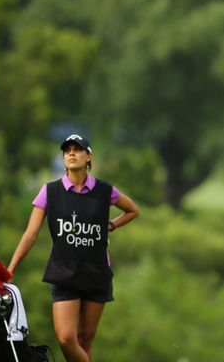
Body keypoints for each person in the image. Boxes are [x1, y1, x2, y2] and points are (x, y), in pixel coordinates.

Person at [8, 134, 140, 362]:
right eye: (67, 150)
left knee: (85, 339)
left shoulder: (104, 190)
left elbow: (133, 210)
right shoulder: (49, 191)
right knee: (66, 338)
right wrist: (10, 269)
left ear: (88, 156)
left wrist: (112, 225)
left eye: (77, 149)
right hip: (64, 273)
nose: (71, 153)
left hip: (96, 273)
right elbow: (30, 235)